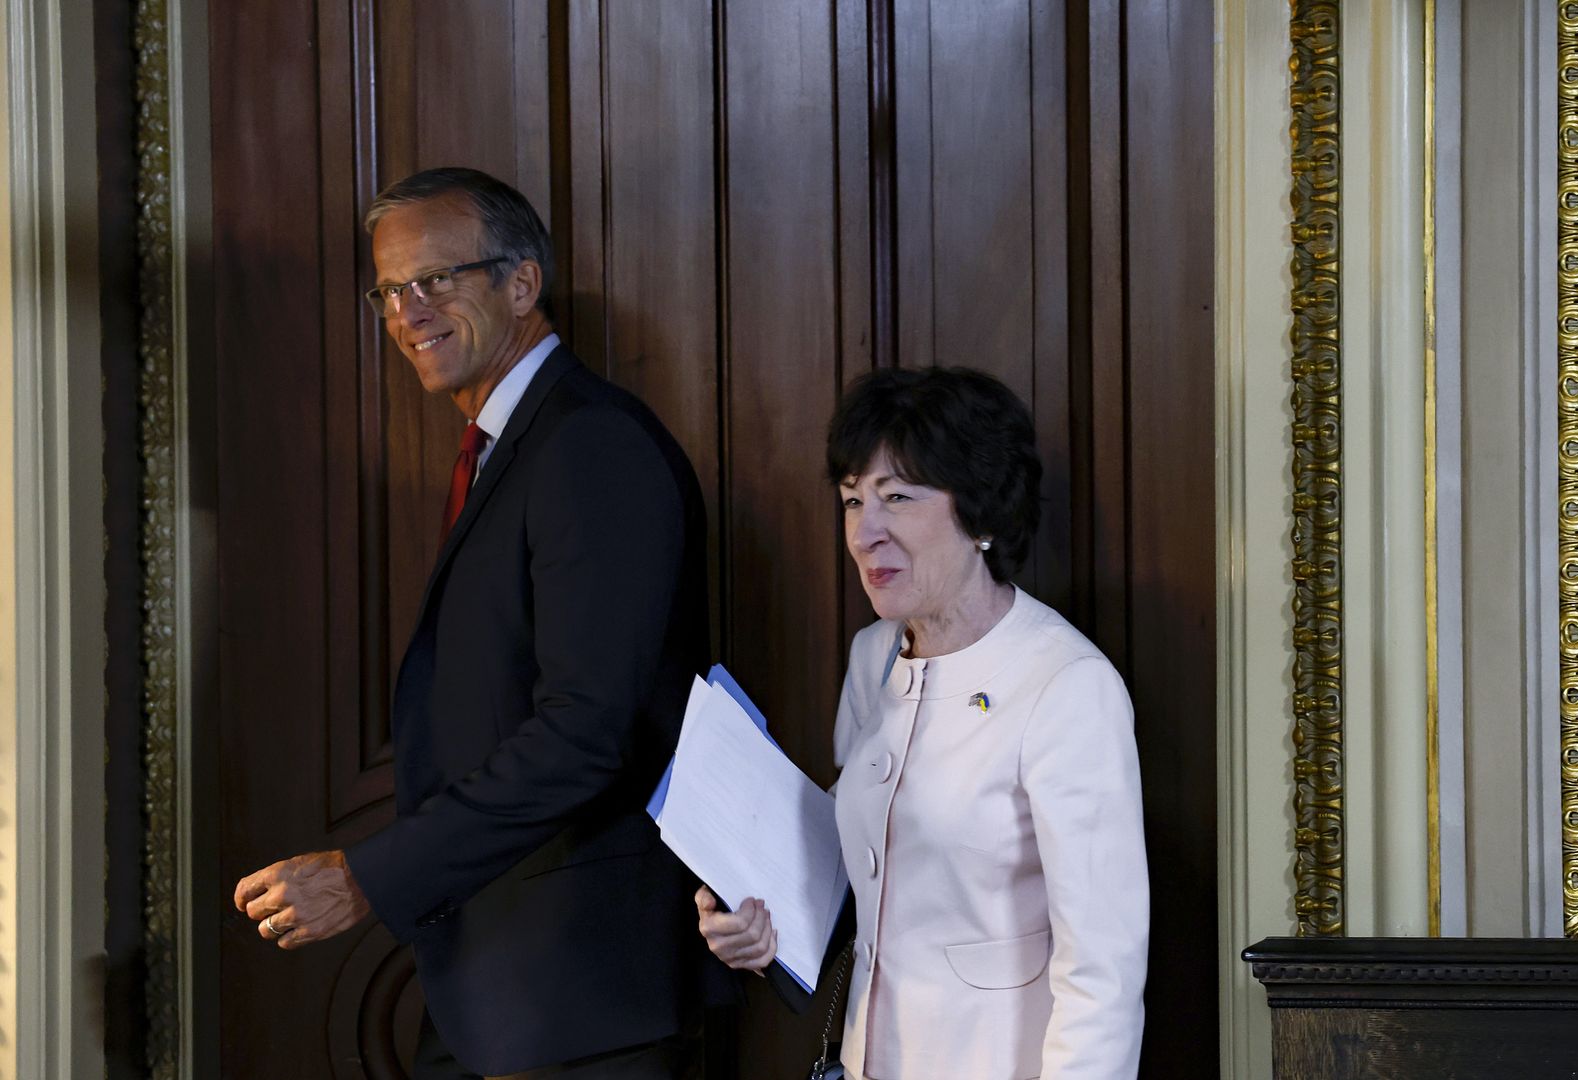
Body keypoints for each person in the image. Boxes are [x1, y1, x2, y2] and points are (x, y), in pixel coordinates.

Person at [232, 167, 721, 1078]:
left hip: (577, 1002)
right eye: (389, 290)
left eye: (436, 281)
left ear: (522, 283)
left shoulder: (591, 446)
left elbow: (585, 734)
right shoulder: (515, 445)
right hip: (500, 990)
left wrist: (364, 877)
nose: (407, 312)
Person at [695, 367, 1150, 1078]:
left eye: (896, 498)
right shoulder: (872, 656)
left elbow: (1103, 974)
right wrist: (755, 925)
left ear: (983, 515)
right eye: (851, 501)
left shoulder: (1067, 686)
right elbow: (858, 885)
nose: (863, 534)